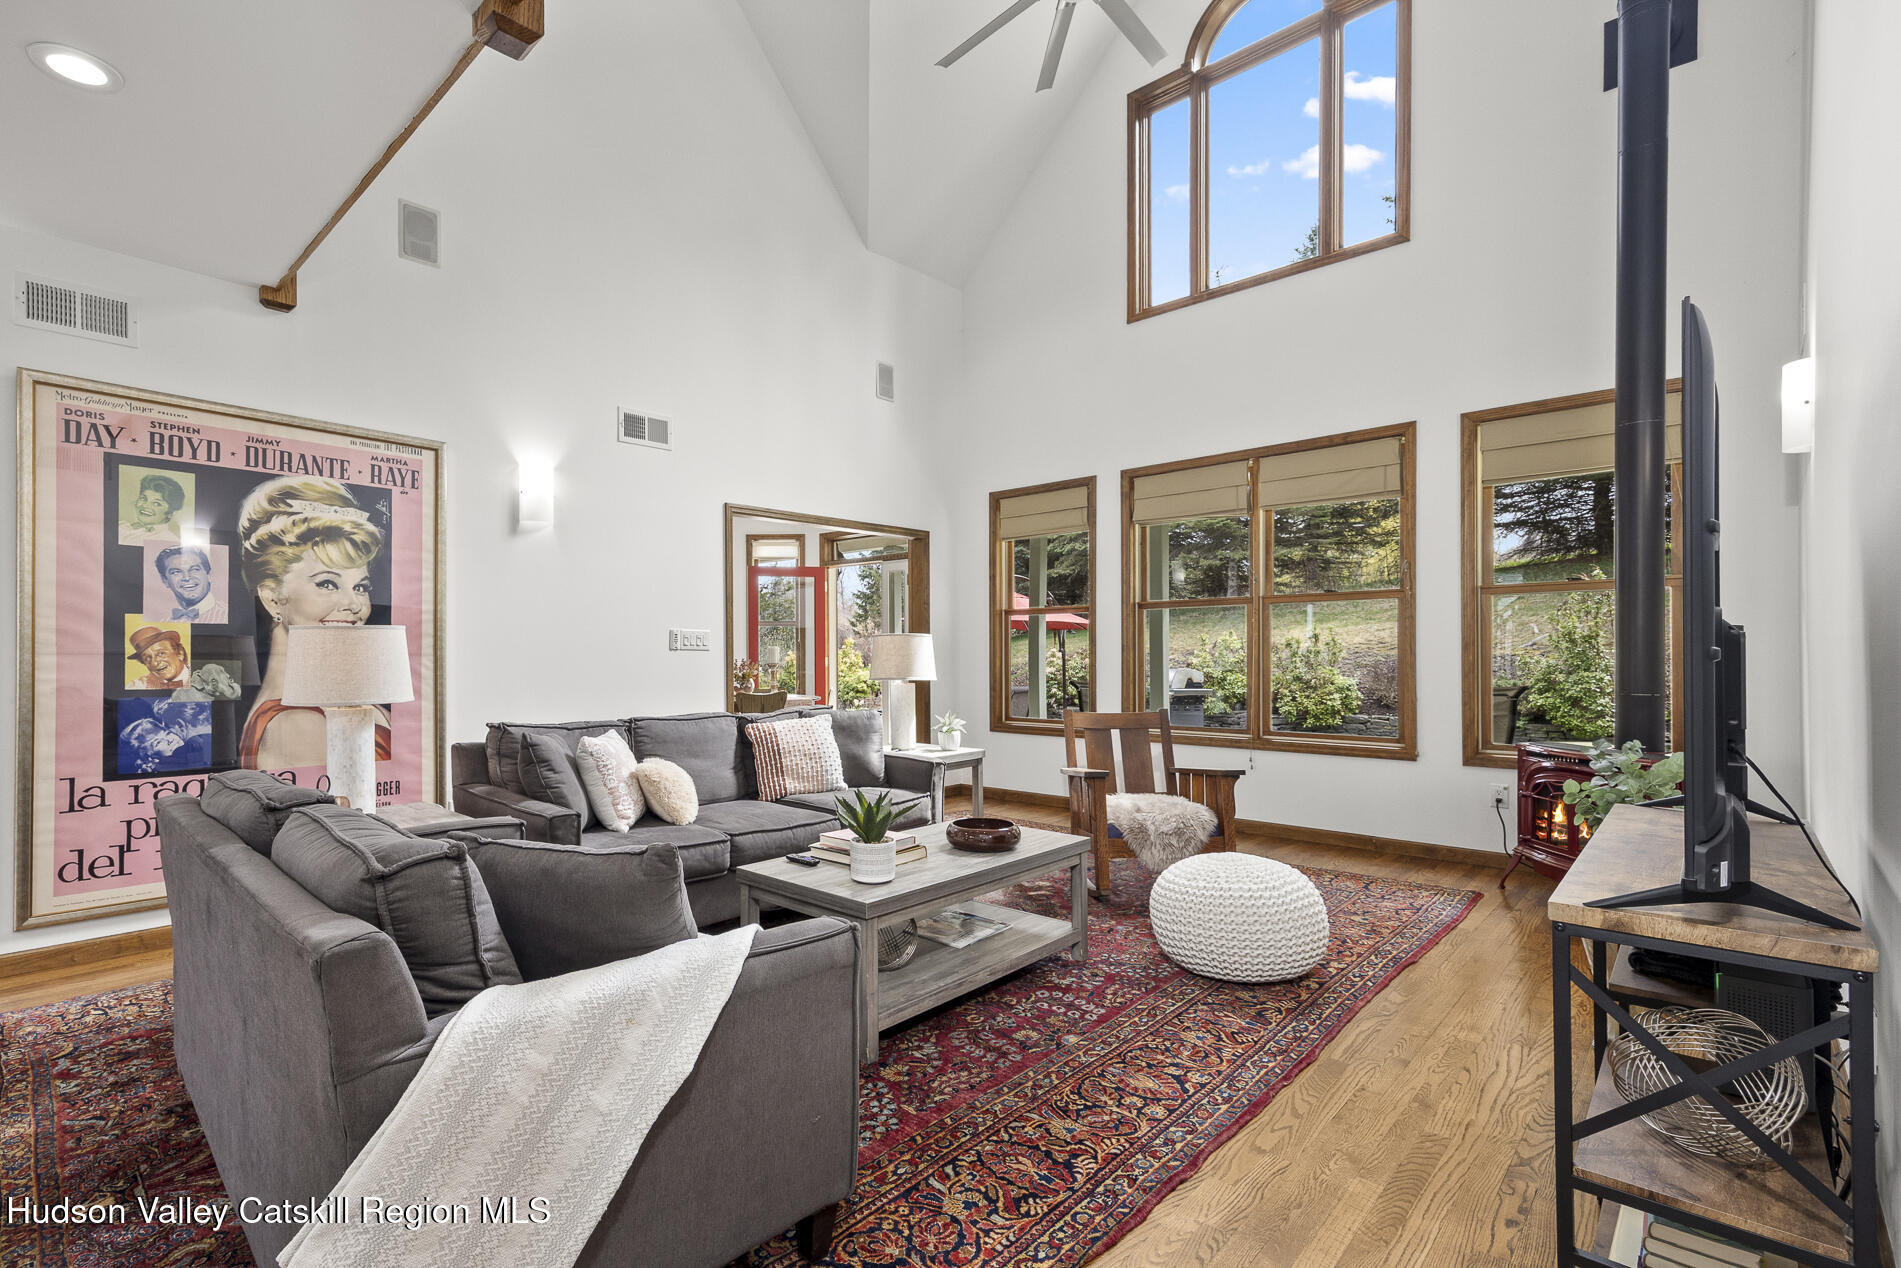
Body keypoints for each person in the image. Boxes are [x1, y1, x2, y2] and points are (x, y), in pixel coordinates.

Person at [237, 476, 392, 771]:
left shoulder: (327, 706)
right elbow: (331, 819)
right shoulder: (299, 725)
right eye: (328, 584)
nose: (355, 604)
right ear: (272, 598)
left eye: (361, 587)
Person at [153, 544, 228, 623]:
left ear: (209, 574)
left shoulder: (226, 616)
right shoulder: (164, 623)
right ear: (165, 580)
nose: (187, 578)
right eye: (176, 572)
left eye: (195, 569)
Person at [119, 473, 186, 545]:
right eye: (143, 498)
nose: (145, 505)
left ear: (171, 513)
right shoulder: (122, 526)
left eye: (156, 503)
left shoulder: (169, 541)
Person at [126, 625, 190, 690]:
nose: (154, 663)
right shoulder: (138, 686)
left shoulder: (198, 677)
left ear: (180, 653)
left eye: (161, 653)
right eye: (147, 658)